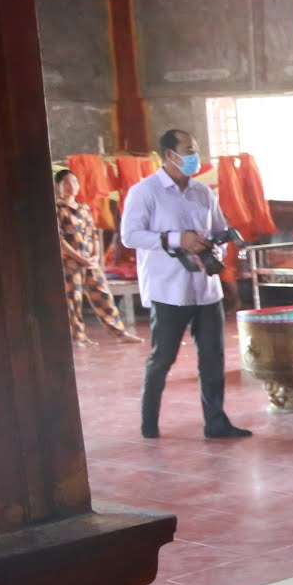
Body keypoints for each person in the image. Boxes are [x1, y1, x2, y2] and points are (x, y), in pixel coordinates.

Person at [119, 129, 249, 441]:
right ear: (169, 155)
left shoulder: (203, 193)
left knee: (213, 358)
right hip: (168, 289)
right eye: (188, 150)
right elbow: (130, 236)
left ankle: (216, 422)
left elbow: (219, 231)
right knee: (163, 358)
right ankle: (149, 424)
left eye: (195, 149)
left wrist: (215, 250)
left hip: (205, 289)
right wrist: (178, 239)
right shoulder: (145, 192)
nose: (194, 156)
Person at [55, 169, 140, 348]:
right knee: (73, 300)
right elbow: (60, 240)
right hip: (70, 264)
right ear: (58, 186)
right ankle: (79, 337)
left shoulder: (84, 208)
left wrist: (95, 256)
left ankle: (119, 333)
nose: (71, 186)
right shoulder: (57, 209)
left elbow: (93, 234)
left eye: (74, 182)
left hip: (90, 262)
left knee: (103, 295)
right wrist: (79, 258)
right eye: (66, 183)